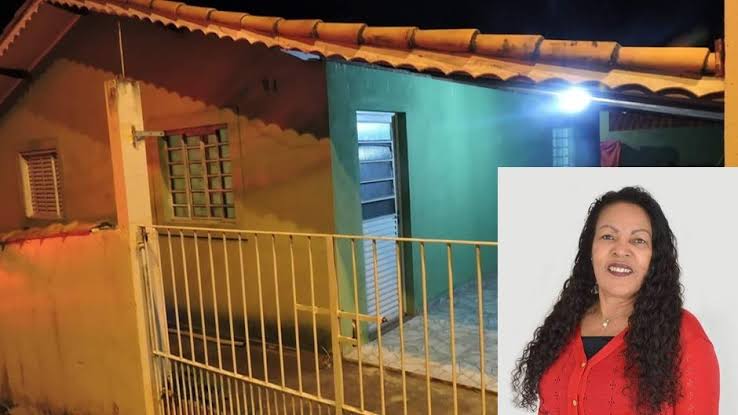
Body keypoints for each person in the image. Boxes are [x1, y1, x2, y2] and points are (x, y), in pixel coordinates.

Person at [511, 186, 719, 414]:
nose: (621, 250)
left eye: (638, 240)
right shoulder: (564, 323)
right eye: (608, 236)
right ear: (590, 249)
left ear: (655, 257)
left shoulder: (684, 334)